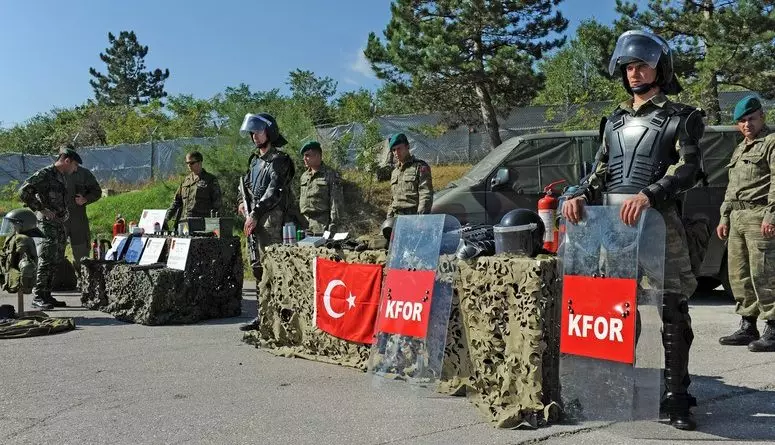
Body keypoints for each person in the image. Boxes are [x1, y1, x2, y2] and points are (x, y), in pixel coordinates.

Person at [561, 30, 705, 430]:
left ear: (660, 68)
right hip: (614, 229)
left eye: (642, 65)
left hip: (661, 224)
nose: (635, 73)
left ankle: (677, 396)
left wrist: (650, 194)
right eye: (628, 67)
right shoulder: (614, 122)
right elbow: (600, 173)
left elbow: (689, 169)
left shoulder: (682, 117)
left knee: (672, 309)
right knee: (616, 308)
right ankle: (620, 383)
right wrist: (576, 194)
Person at [716, 96, 775, 352]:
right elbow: (732, 187)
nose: (747, 124)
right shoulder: (740, 148)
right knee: (739, 275)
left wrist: (771, 216)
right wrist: (724, 216)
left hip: (760, 215)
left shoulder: (771, 143)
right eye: (741, 121)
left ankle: (773, 329)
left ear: (762, 116)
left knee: (764, 273)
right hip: (738, 218)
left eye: (751, 119)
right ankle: (747, 325)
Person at [237, 113, 295, 332]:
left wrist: (255, 214)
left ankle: (282, 317)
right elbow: (246, 186)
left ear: (269, 132)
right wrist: (241, 205)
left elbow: (274, 192)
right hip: (254, 219)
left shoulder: (280, 160)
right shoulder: (254, 161)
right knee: (258, 268)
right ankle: (263, 315)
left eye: (258, 131)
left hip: (271, 220)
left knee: (275, 269)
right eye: (252, 133)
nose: (254, 136)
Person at [19, 147, 82, 310]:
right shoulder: (45, 174)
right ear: (66, 160)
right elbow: (23, 192)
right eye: (74, 165)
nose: (75, 169)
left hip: (58, 224)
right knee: (46, 258)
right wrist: (42, 209)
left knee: (56, 259)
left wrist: (64, 213)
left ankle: (47, 294)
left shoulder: (61, 176)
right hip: (46, 224)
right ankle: (38, 296)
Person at [64, 149, 102, 282]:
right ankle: (54, 283)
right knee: (54, 253)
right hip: (57, 219)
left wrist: (85, 199)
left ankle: (83, 281)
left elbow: (97, 191)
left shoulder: (83, 173)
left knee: (81, 252)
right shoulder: (52, 173)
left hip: (77, 217)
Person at [165, 151, 222, 230]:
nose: (189, 165)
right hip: (185, 223)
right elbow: (177, 202)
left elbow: (217, 204)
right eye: (187, 163)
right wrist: (166, 218)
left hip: (202, 225)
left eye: (191, 163)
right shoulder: (186, 180)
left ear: (199, 162)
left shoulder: (210, 180)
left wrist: (213, 226)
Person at [298, 141, 343, 235]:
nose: (304, 159)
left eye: (307, 155)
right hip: (304, 225)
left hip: (322, 225)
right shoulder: (304, 176)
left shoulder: (331, 174)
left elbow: (336, 203)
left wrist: (333, 225)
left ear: (317, 156)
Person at [386, 133, 433, 218]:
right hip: (397, 217)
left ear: (407, 147)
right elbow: (392, 199)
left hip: (413, 217)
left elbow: (425, 194)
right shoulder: (395, 172)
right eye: (394, 150)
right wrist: (389, 219)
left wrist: (421, 218)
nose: (396, 153)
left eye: (399, 148)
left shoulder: (420, 167)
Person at [0, 208, 44, 294]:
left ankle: (26, 287)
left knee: (26, 265)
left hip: (21, 276)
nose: (12, 227)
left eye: (14, 224)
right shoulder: (12, 237)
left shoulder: (25, 240)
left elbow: (28, 262)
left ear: (24, 224)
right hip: (11, 273)